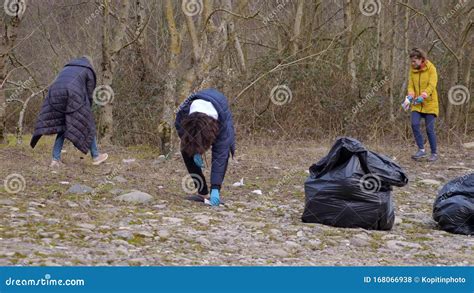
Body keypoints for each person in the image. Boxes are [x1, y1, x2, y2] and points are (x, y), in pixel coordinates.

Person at [30, 56, 108, 167]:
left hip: (54, 95)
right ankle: (96, 156)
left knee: (63, 125)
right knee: (88, 123)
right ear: (90, 63)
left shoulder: (66, 68)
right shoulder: (88, 69)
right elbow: (90, 93)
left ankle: (55, 160)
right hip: (72, 94)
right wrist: (88, 109)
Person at [175, 88, 236, 206]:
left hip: (219, 115)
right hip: (194, 117)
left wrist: (215, 188)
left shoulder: (222, 125)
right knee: (186, 150)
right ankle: (202, 192)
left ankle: (214, 191)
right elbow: (180, 130)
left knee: (223, 152)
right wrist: (195, 151)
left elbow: (220, 156)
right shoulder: (183, 114)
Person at [402, 48, 439, 162]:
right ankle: (421, 150)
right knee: (414, 124)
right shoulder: (412, 70)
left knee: (429, 129)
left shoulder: (431, 68)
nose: (412, 64)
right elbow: (410, 85)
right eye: (411, 61)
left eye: (414, 61)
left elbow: (432, 85)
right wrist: (410, 96)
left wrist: (423, 95)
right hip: (416, 104)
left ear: (421, 59)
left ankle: (434, 153)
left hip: (430, 103)